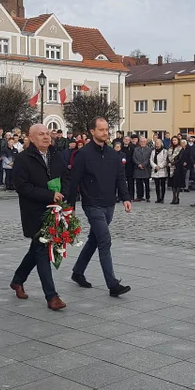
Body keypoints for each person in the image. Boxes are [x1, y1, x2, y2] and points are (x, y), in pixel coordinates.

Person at [65, 116, 132, 297]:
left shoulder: (113, 154)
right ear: (92, 131)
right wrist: (70, 206)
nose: (105, 133)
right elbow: (74, 180)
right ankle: (112, 284)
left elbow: (120, 178)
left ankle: (78, 272)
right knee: (104, 240)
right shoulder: (84, 154)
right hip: (92, 204)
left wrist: (125, 197)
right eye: (101, 130)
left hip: (109, 203)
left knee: (94, 239)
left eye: (106, 129)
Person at [11, 124, 69, 310]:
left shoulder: (56, 155)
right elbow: (22, 187)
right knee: (42, 251)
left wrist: (66, 199)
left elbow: (67, 178)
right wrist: (48, 195)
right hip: (34, 212)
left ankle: (18, 280)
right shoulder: (23, 159)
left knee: (36, 250)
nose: (46, 137)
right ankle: (52, 296)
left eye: (48, 134)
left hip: (55, 211)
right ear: (31, 138)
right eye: (41, 134)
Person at [166, 135, 186, 205]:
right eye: (173, 140)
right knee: (172, 184)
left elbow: (180, 159)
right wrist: (168, 162)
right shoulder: (169, 148)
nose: (174, 141)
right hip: (170, 168)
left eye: (175, 140)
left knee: (177, 184)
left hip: (178, 168)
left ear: (178, 141)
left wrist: (173, 163)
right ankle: (173, 197)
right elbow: (167, 157)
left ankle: (177, 197)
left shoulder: (181, 149)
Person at [132, 135, 152, 202]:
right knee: (138, 184)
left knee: (146, 184)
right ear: (139, 142)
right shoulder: (136, 149)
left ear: (146, 142)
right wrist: (138, 164)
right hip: (138, 168)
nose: (142, 143)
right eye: (141, 142)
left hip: (146, 168)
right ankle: (139, 196)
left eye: (144, 142)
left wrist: (143, 164)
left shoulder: (149, 150)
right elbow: (134, 158)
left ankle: (147, 197)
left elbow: (149, 158)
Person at [149, 137, 168, 203]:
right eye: (156, 143)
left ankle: (162, 198)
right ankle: (158, 198)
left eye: (158, 143)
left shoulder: (164, 151)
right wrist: (155, 166)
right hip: (155, 170)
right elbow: (151, 160)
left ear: (161, 144)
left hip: (162, 170)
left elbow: (165, 160)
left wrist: (160, 166)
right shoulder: (153, 151)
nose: (157, 144)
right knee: (157, 185)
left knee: (162, 185)